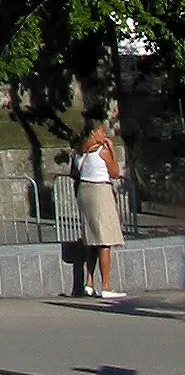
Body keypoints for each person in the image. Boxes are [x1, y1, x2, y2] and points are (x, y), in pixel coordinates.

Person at [76, 121, 125, 299]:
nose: (105, 136)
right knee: (105, 240)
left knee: (92, 239)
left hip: (84, 191)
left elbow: (75, 172)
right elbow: (115, 172)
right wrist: (112, 150)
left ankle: (89, 282)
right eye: (102, 132)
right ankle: (106, 286)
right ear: (94, 132)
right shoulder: (102, 151)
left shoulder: (80, 151)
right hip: (100, 191)